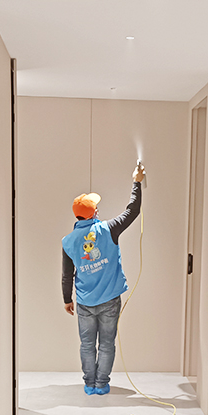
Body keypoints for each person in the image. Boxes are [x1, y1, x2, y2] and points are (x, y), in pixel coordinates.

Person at [62, 162, 145, 395]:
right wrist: (136, 183)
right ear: (94, 212)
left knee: (87, 344)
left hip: (85, 302)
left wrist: (67, 299)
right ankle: (101, 384)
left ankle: (89, 384)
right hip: (110, 300)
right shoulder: (109, 229)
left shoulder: (68, 241)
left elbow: (67, 274)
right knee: (107, 343)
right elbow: (132, 211)